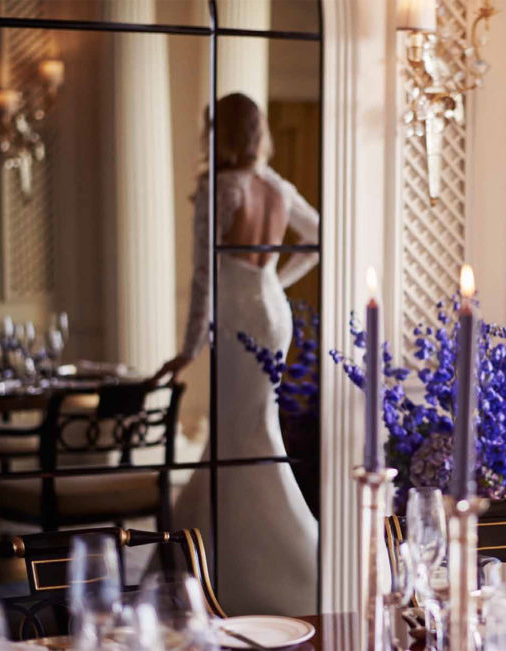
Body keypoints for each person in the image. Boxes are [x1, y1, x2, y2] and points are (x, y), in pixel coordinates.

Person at [151, 93, 320, 616]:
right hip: (271, 311)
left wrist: (188, 348)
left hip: (238, 313)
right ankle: (217, 553)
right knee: (250, 429)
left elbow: (204, 274)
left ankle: (262, 564)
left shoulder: (219, 187)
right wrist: (273, 279)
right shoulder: (275, 186)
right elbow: (318, 240)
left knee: (239, 434)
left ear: (218, 132)